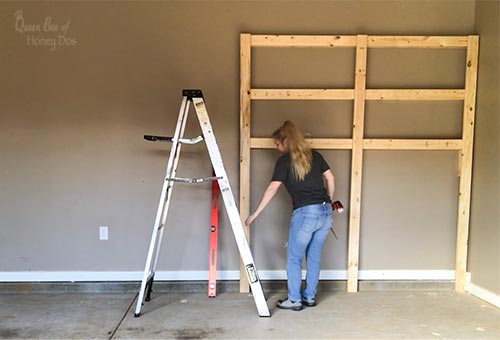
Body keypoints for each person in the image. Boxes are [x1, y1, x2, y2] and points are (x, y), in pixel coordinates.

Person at [245, 120, 335, 311]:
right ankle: (309, 297)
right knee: (313, 257)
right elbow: (330, 178)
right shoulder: (315, 156)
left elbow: (272, 188)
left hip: (306, 214)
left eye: (277, 144)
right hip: (326, 212)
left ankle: (294, 300)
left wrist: (255, 214)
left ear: (285, 141)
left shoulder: (284, 161)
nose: (277, 148)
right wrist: (328, 201)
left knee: (294, 258)